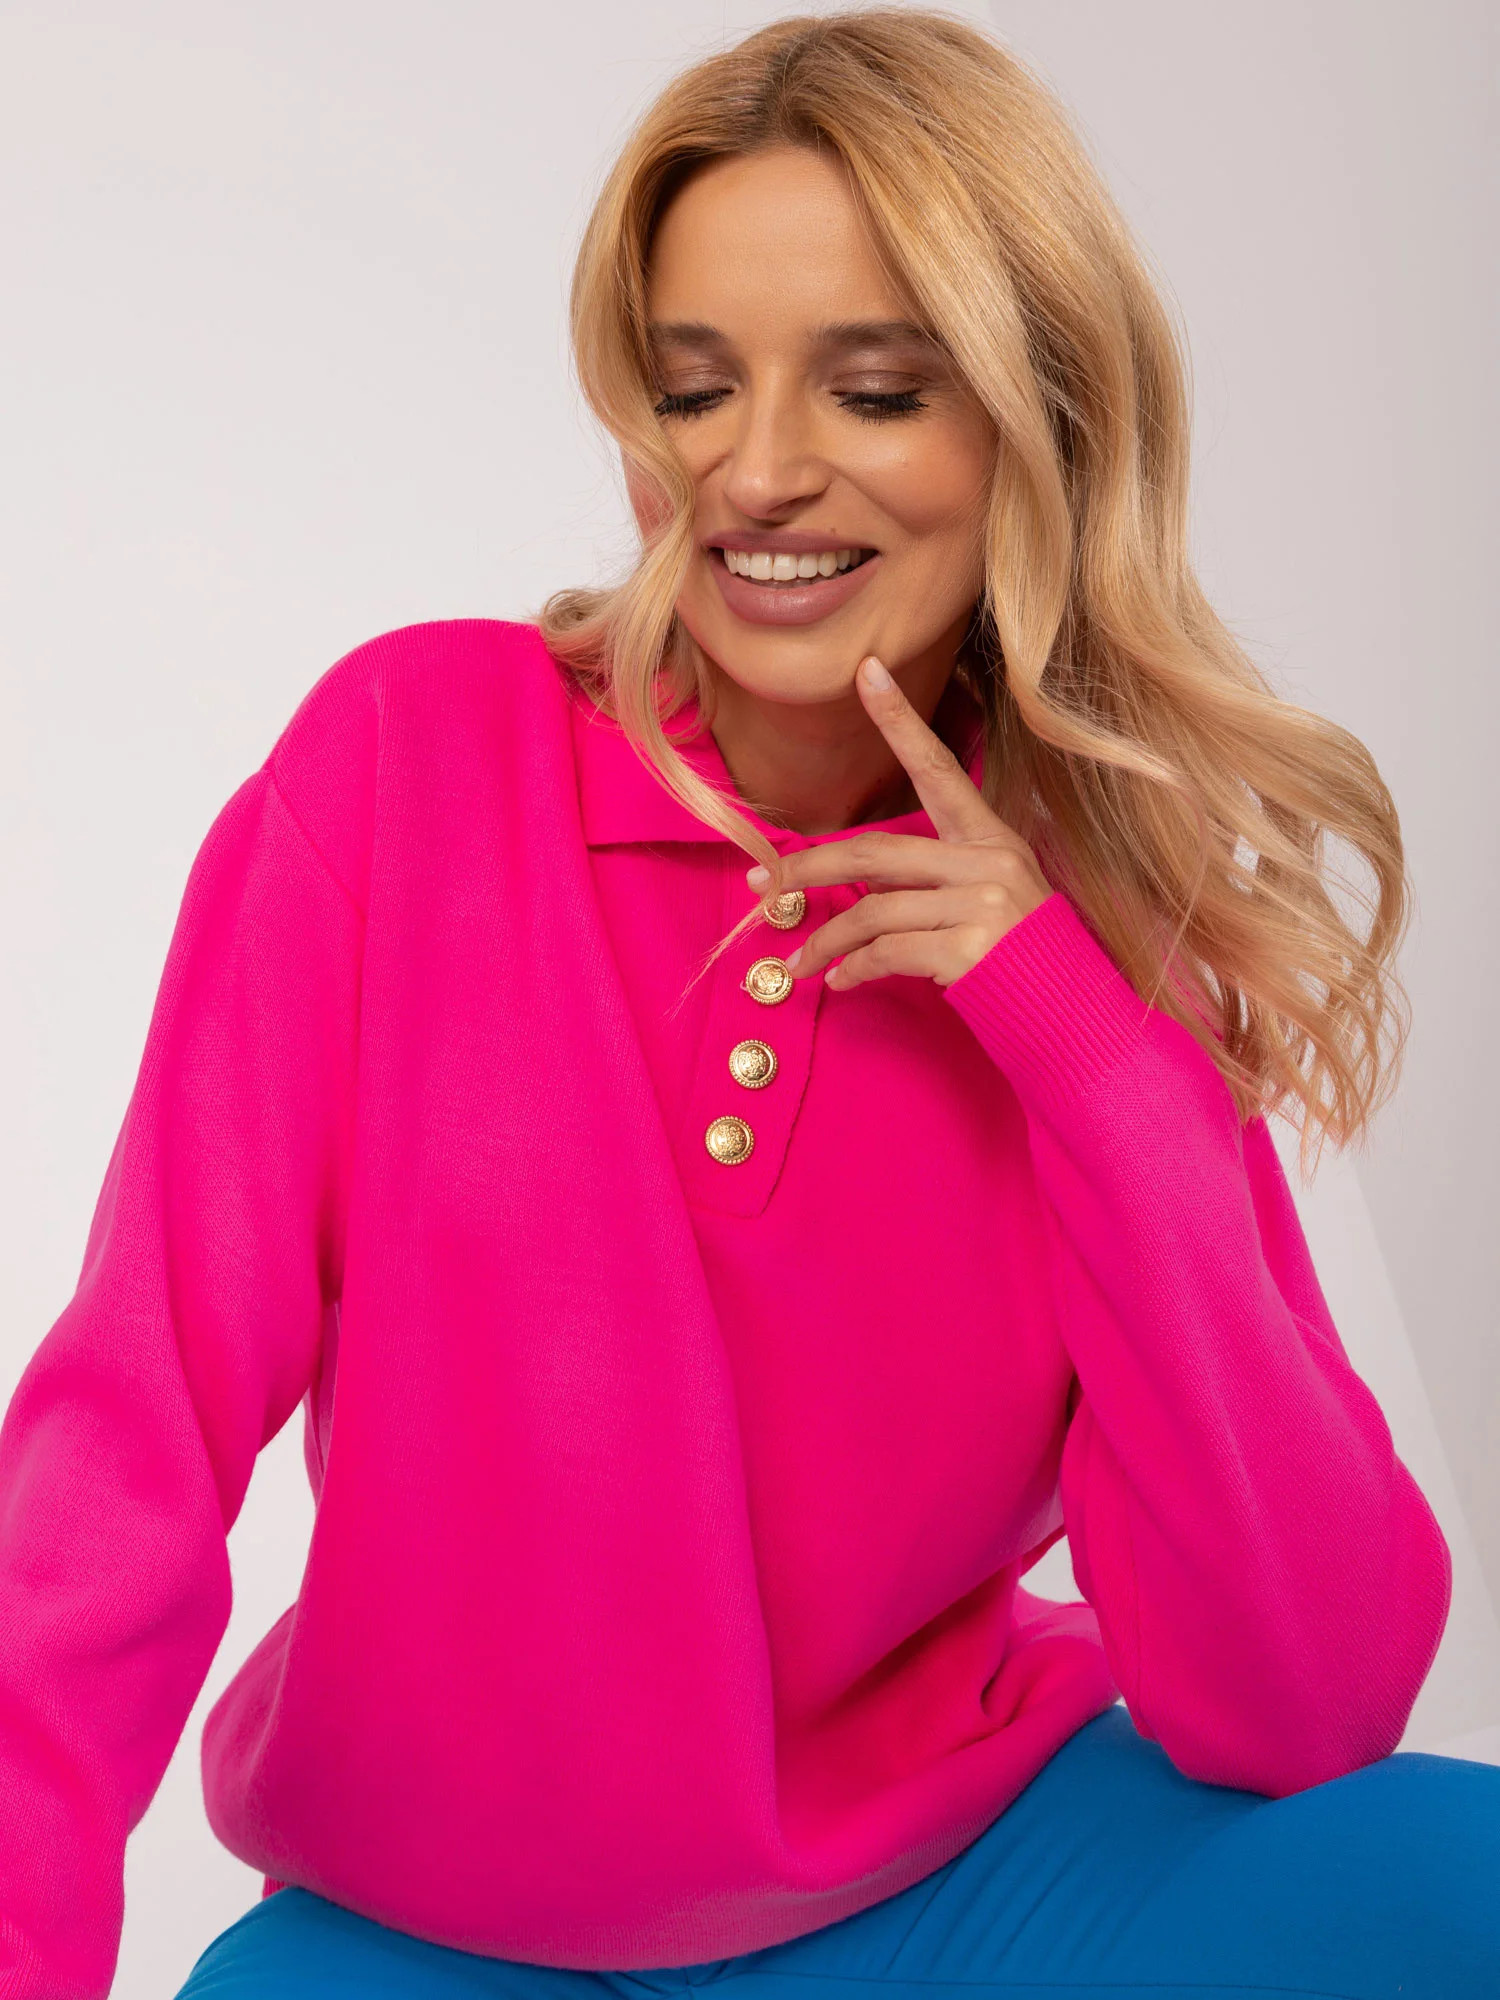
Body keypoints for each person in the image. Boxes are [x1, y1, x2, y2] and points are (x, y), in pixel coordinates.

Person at [1, 9, 1495, 1997]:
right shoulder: (407, 765)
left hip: (964, 1890)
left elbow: (1306, 1696)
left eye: (874, 389)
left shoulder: (1097, 936)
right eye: (695, 388)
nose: (762, 473)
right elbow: (126, 1449)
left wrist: (1074, 1038)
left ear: (1033, 423)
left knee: (1457, 1879)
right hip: (441, 1932)